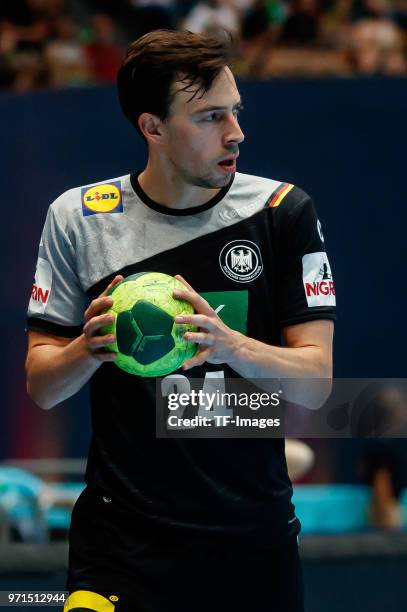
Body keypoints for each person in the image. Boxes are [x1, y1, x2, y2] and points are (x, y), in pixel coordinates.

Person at [25, 30, 336, 612]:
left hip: (250, 543)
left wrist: (232, 346)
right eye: (211, 116)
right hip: (120, 544)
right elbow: (41, 387)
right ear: (153, 127)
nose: (236, 132)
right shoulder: (79, 218)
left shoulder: (282, 212)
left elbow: (316, 383)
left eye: (235, 111)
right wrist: (84, 350)